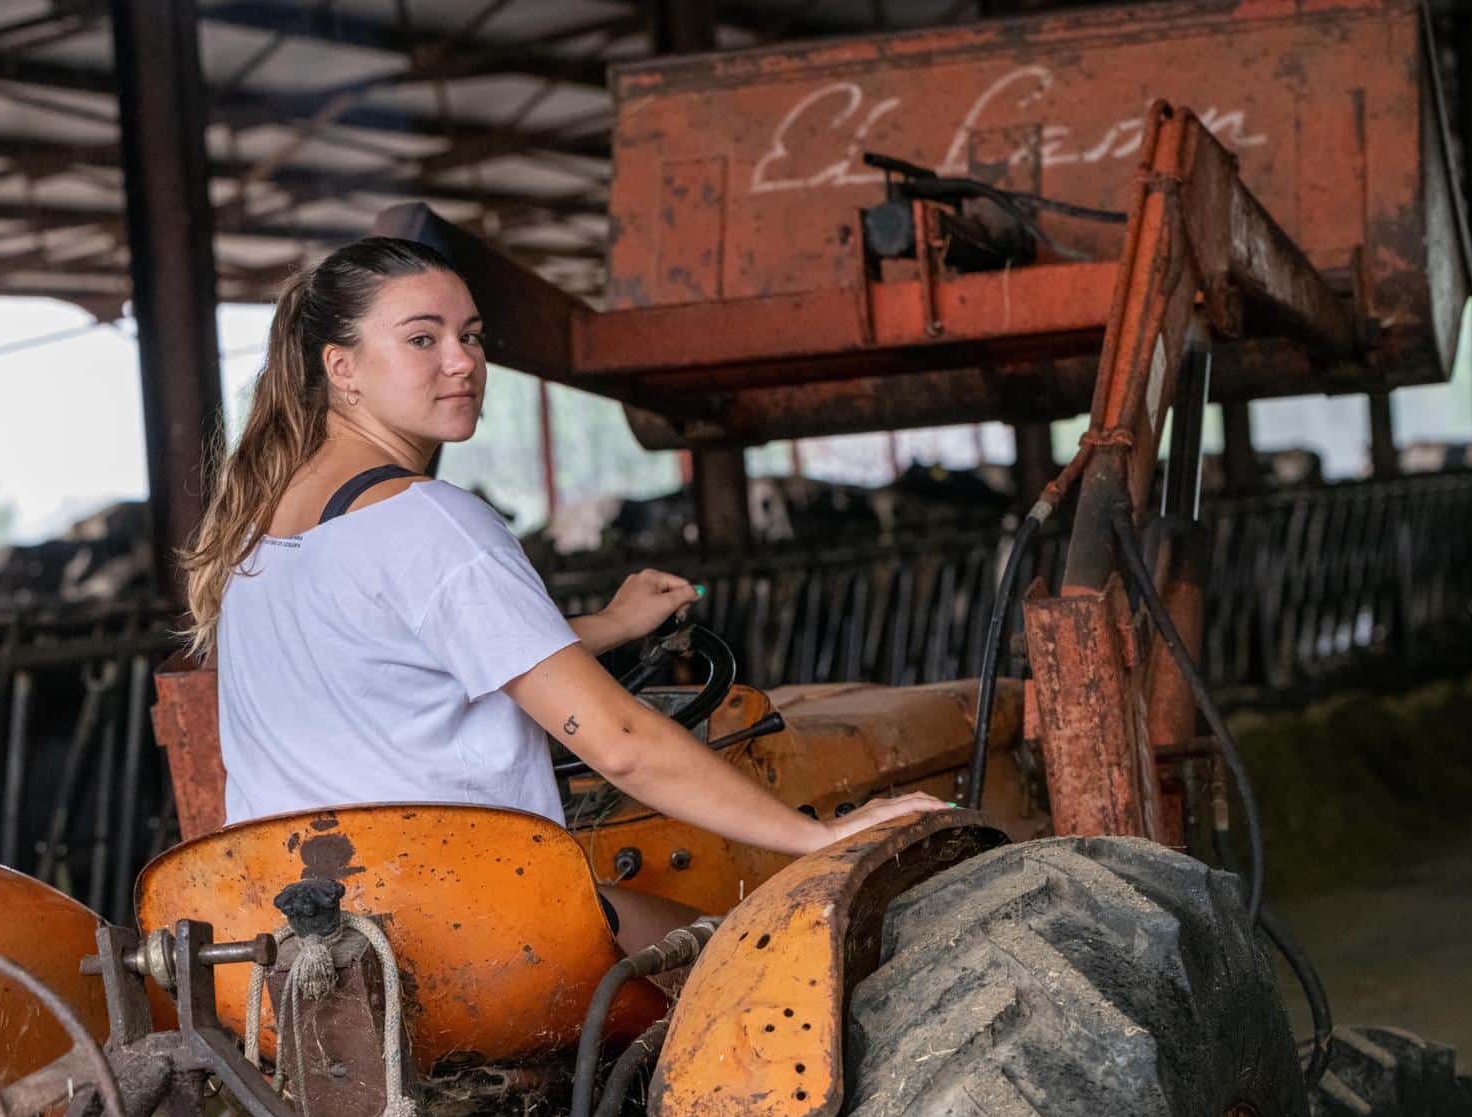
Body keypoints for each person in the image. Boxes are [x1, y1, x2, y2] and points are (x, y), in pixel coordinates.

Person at [181, 237, 946, 940]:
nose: (461, 361)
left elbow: (411, 667)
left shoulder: (259, 532)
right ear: (340, 367)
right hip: (460, 930)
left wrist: (610, 625)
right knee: (752, 957)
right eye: (422, 339)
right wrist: (817, 836)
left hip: (298, 926)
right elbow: (621, 744)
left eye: (471, 336)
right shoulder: (426, 520)